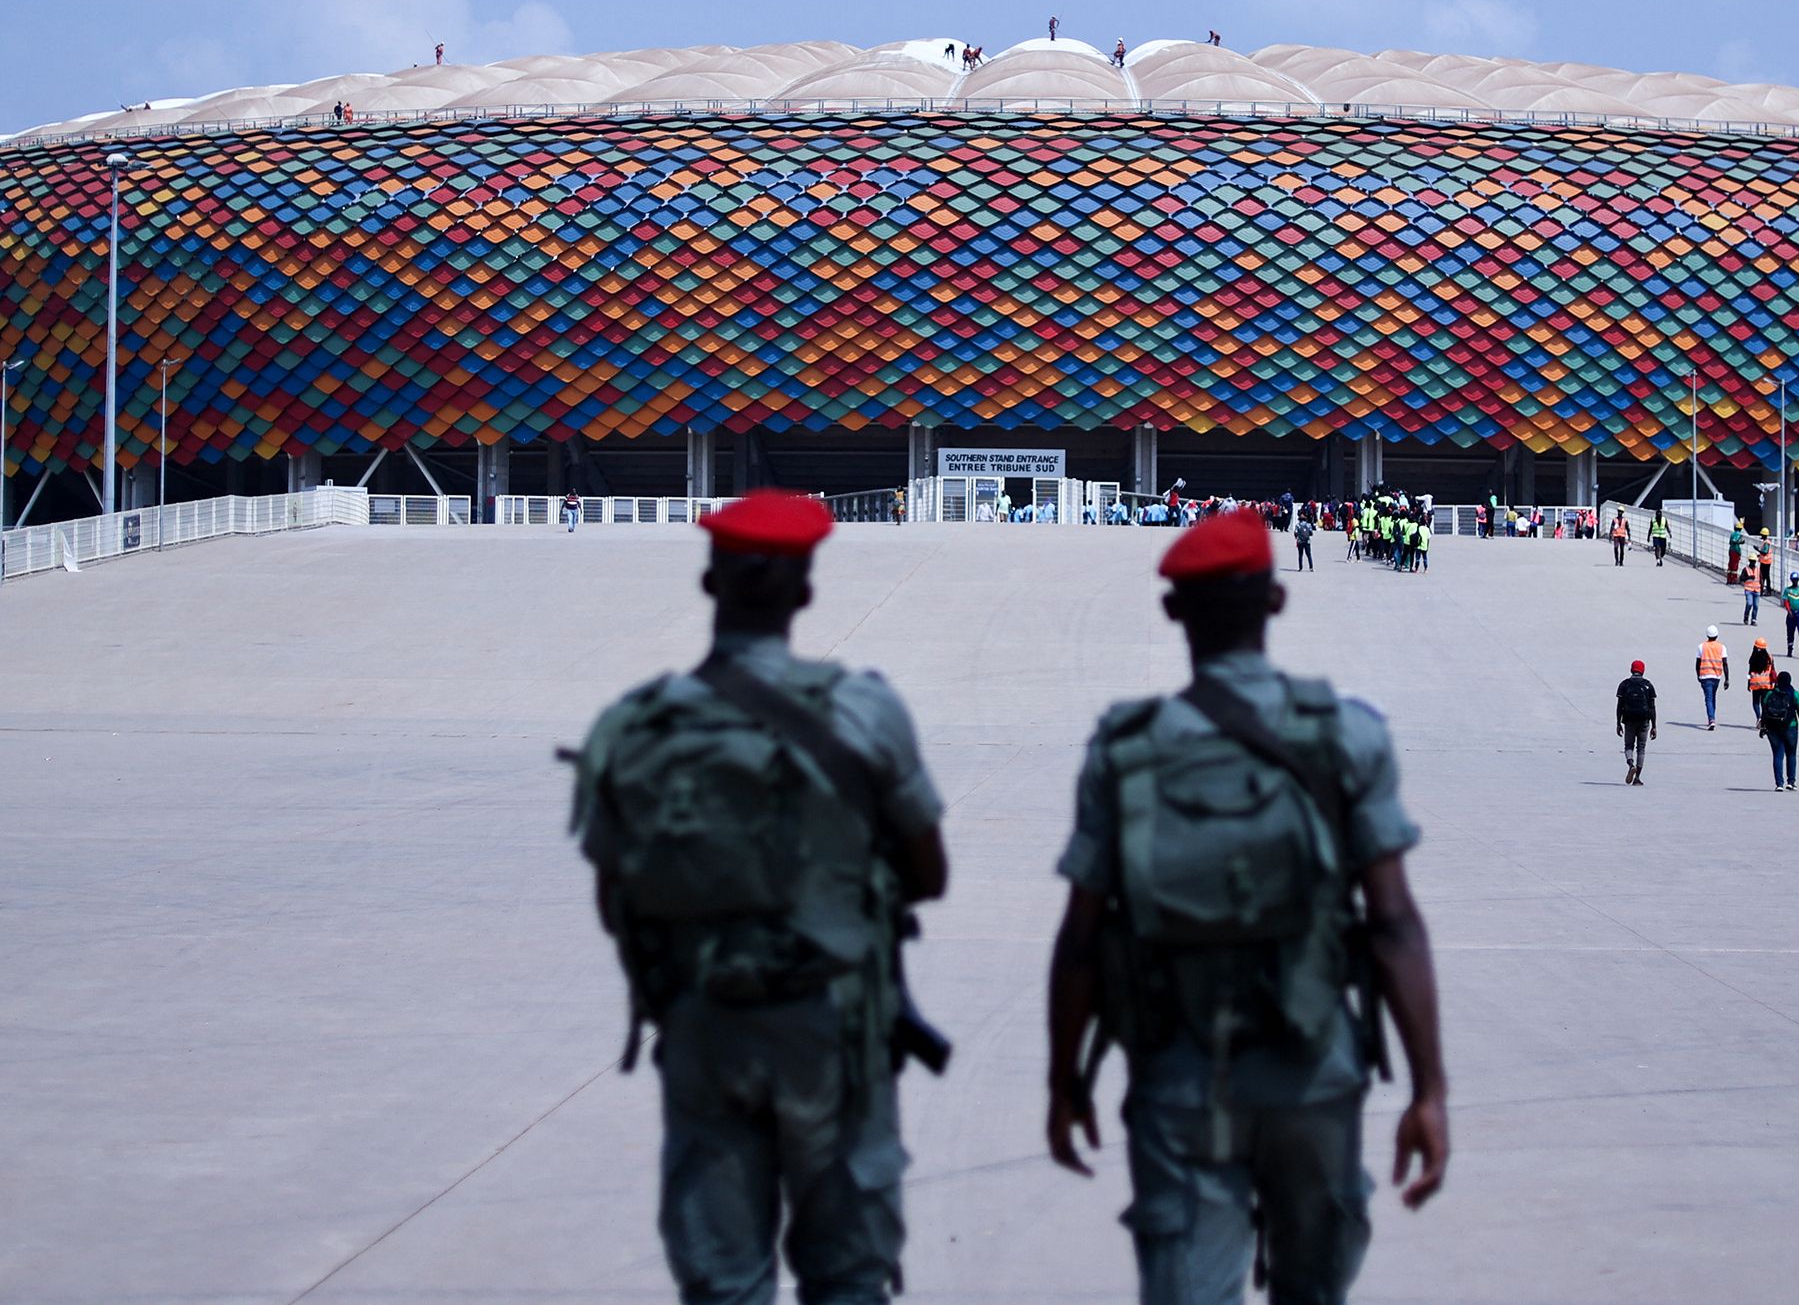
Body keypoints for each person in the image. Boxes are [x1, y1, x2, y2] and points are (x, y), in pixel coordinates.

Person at [1045, 509, 1448, 1305]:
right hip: (1313, 1067)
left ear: (1172, 611)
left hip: (1179, 1073)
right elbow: (1395, 921)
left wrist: (1065, 1079)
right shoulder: (1345, 736)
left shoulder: (1126, 749)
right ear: (1277, 601)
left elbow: (1082, 937)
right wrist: (1429, 1089)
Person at [568, 490, 950, 1304]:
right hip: (834, 1025)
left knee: (724, 1282)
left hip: (706, 1025)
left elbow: (615, 896)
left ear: (710, 583)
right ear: (807, 592)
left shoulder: (639, 726)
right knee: (848, 1275)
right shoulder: (865, 710)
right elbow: (931, 874)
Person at [1757, 669, 1799, 791]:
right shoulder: (1794, 694)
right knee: (1791, 754)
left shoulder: (1770, 694)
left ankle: (1779, 783)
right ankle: (1791, 782)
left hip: (1773, 728)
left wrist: (1763, 727)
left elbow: (1765, 711)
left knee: (1777, 754)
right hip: (1790, 727)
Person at [1615, 659, 1657, 785]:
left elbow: (1619, 705)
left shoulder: (1624, 684)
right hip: (1644, 719)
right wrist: (1654, 725)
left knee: (1628, 746)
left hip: (1629, 720)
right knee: (1641, 748)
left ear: (1631, 670)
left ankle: (1630, 764)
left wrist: (1618, 723)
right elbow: (1652, 707)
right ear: (1643, 670)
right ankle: (1637, 778)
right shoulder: (1648, 685)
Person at [1695, 624, 1728, 731]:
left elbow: (1698, 663)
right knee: (1712, 697)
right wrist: (1727, 679)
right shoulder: (1722, 647)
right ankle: (1712, 717)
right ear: (1717, 635)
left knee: (1709, 698)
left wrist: (1698, 675)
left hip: (1705, 676)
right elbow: (1725, 663)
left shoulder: (1701, 646)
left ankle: (1711, 719)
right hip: (1716, 676)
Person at [1780, 572, 1799, 658]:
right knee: (1790, 633)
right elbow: (1786, 602)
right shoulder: (1787, 590)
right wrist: (1789, 611)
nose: (1795, 581)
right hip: (1791, 615)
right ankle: (1790, 650)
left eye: (1796, 580)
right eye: (1793, 580)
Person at [1746, 638, 1775, 721]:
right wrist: (1775, 682)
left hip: (1755, 684)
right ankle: (1763, 718)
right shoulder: (1769, 658)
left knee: (1755, 702)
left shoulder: (1753, 658)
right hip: (1766, 683)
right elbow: (1773, 670)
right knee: (1764, 702)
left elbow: (1749, 672)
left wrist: (1748, 682)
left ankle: (1758, 717)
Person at [1740, 554, 1761, 624]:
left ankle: (1753, 619)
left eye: (1754, 561)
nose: (1753, 563)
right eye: (1751, 561)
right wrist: (1748, 577)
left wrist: (1762, 588)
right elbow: (1741, 578)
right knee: (1749, 603)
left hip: (1757, 590)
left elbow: (1761, 579)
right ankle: (1746, 617)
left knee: (1756, 606)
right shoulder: (1746, 569)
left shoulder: (1758, 569)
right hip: (1748, 589)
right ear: (1749, 561)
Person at [1757, 530, 1776, 595]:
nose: (1761, 536)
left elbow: (1765, 552)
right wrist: (1759, 555)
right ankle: (1764, 589)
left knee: (1764, 576)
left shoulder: (1766, 543)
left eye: (1762, 534)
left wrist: (1758, 550)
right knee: (1765, 576)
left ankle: (1767, 590)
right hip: (1766, 561)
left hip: (1765, 562)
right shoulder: (1766, 542)